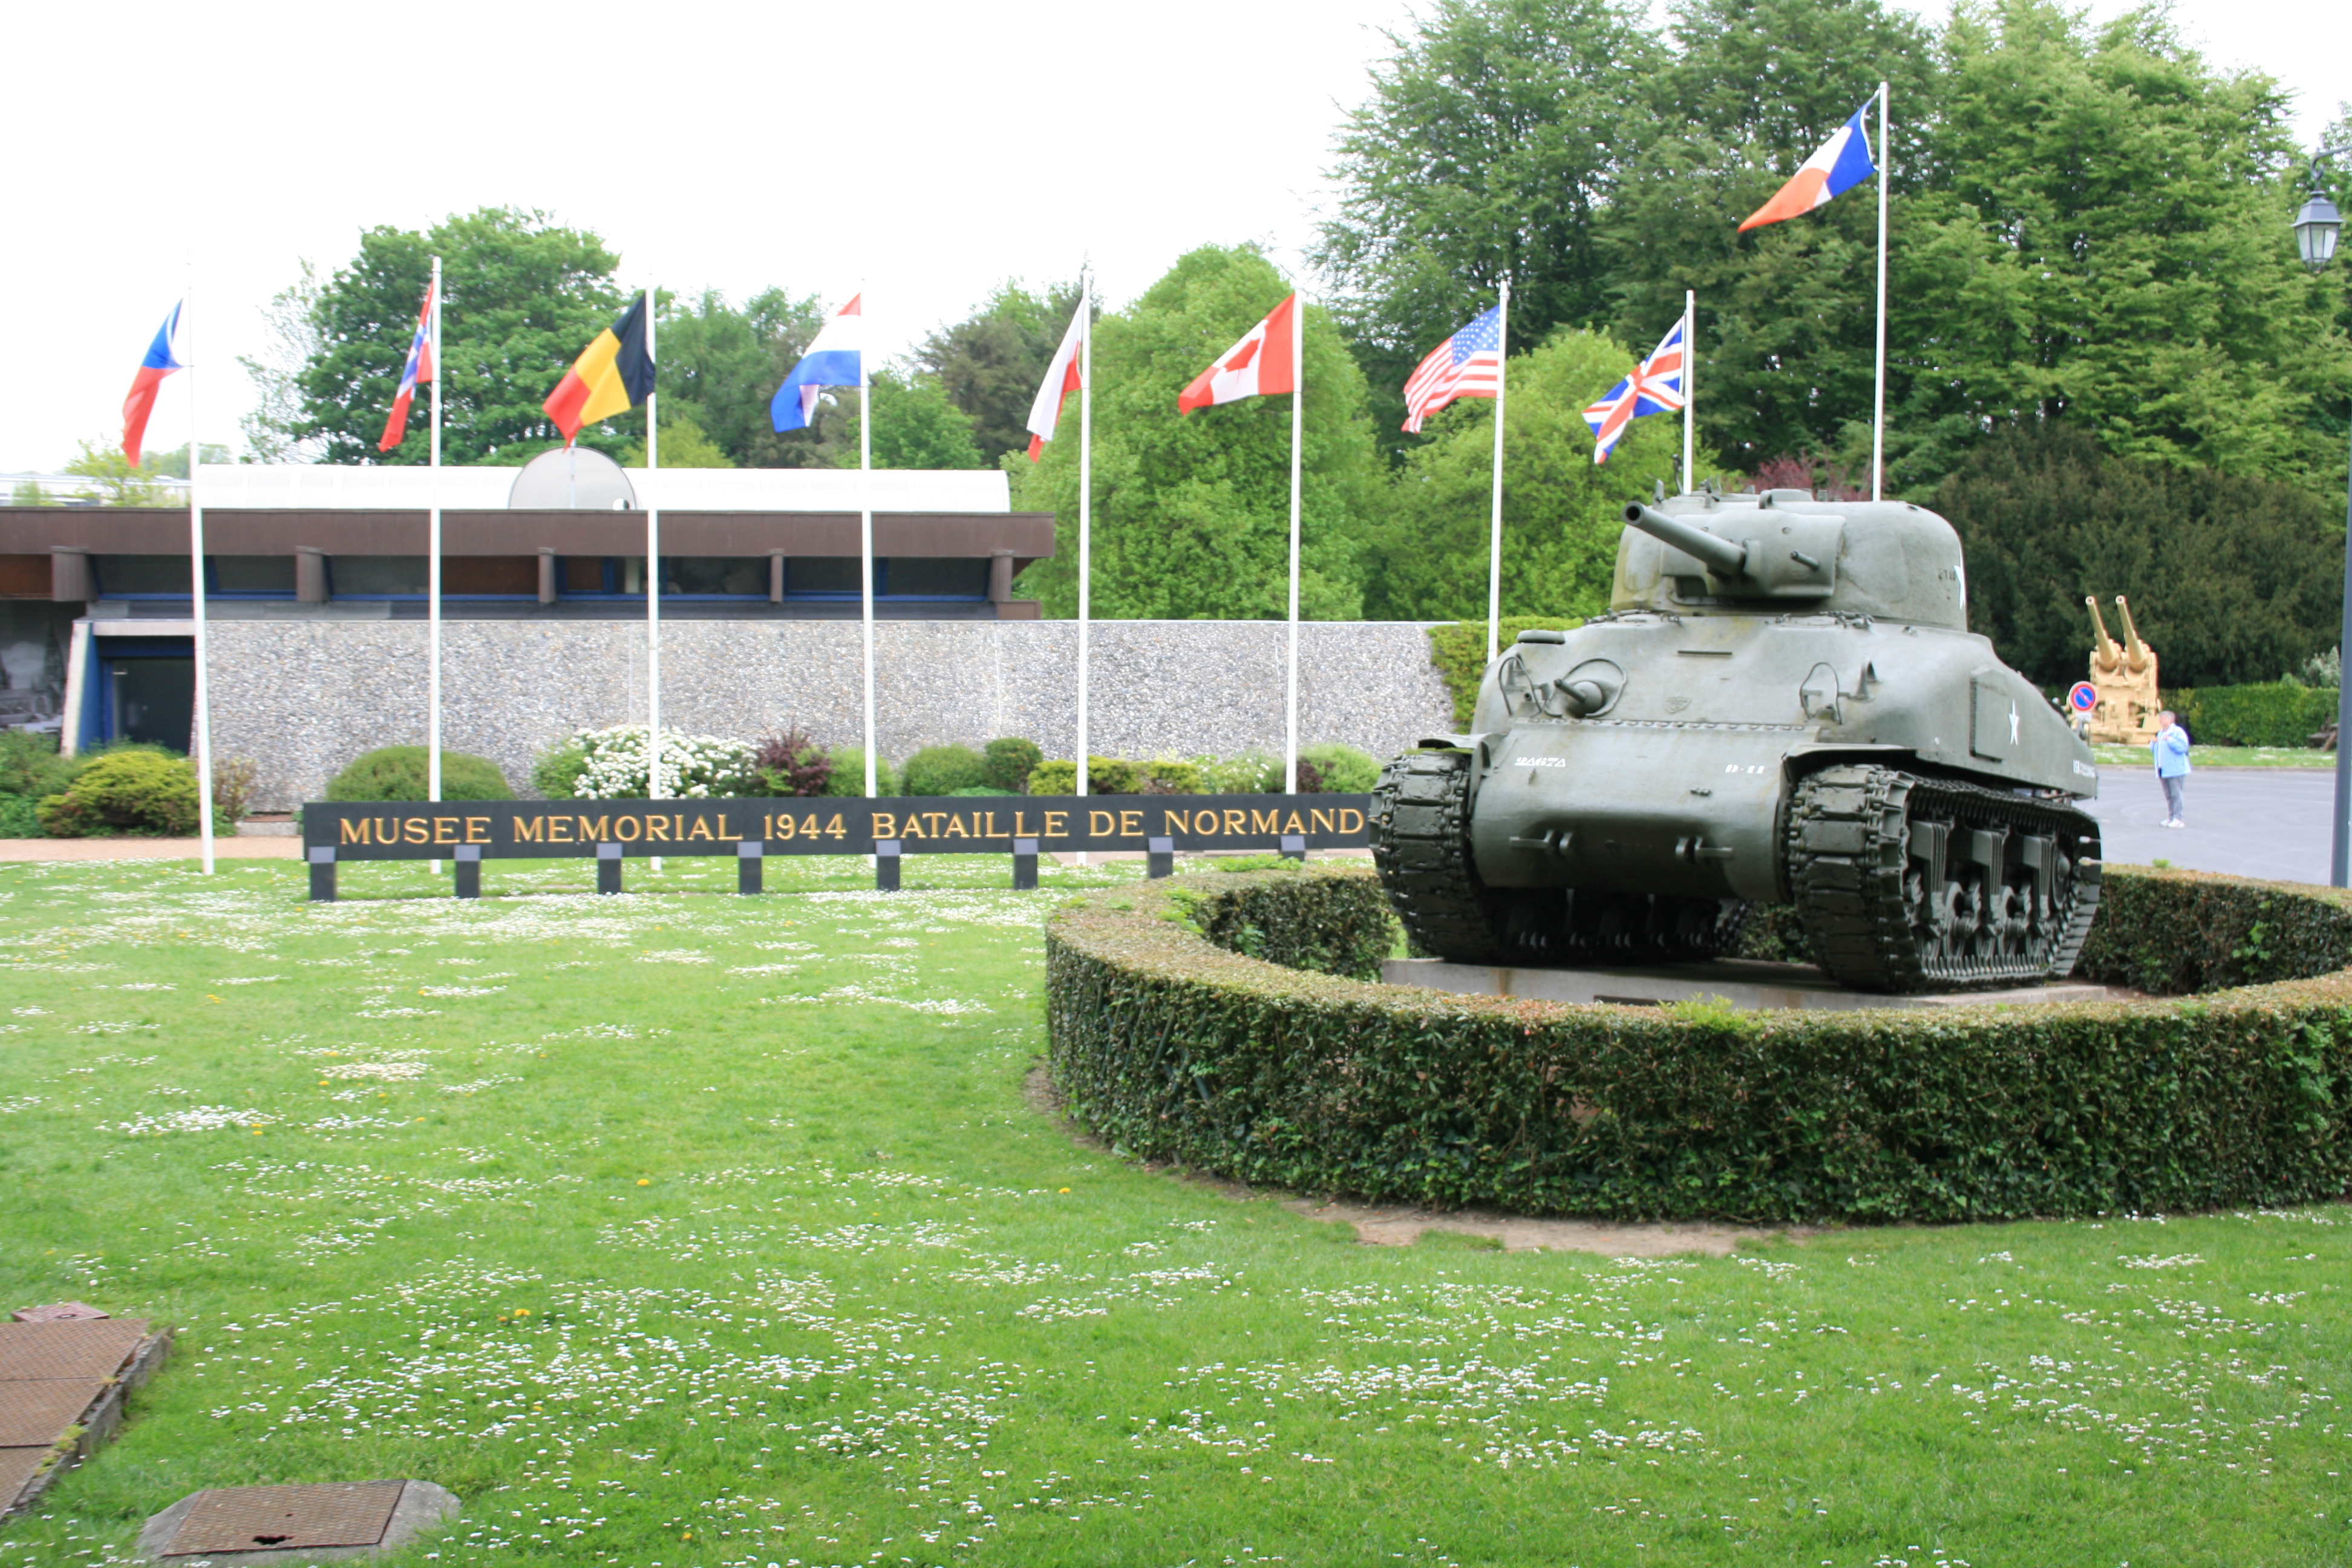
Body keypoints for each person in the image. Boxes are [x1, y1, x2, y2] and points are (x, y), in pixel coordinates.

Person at [2151, 708, 2190, 827]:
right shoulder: (2160, 733)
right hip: (2163, 769)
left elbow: (2183, 747)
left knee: (2176, 794)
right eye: (2160, 719)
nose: (2161, 721)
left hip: (2175, 769)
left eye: (2163, 719)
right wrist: (2153, 743)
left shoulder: (2177, 732)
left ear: (2170, 720)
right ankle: (2171, 817)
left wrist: (2171, 740)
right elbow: (2156, 750)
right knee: (2168, 795)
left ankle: (2178, 818)